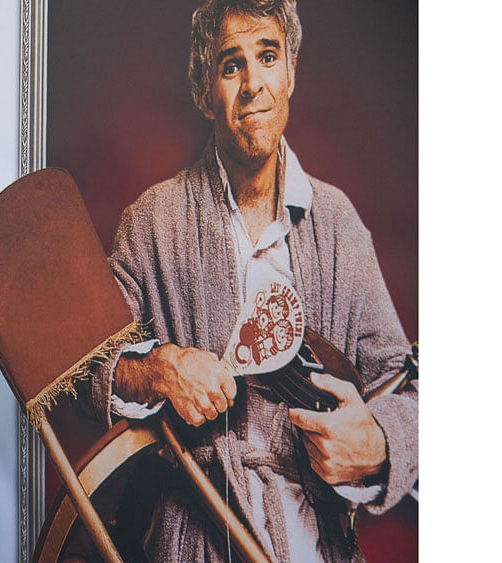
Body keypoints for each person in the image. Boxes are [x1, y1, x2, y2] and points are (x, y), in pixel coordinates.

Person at [90, 1, 417, 560]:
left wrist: (383, 442)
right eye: (230, 64)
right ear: (203, 90)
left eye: (267, 57)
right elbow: (89, 370)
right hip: (196, 539)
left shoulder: (337, 223)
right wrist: (158, 368)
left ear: (291, 70)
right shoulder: (153, 221)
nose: (252, 84)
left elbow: (407, 386)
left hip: (320, 544)